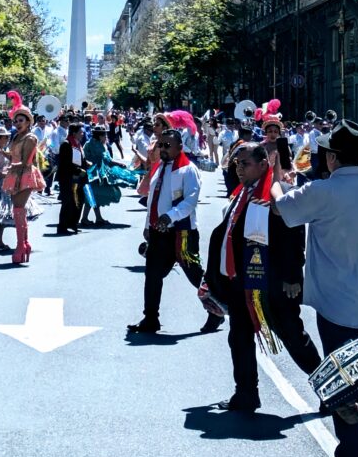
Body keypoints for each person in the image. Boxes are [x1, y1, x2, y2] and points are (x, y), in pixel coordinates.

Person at [272, 120, 358, 457]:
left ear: (331, 159)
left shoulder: (323, 192)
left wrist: (275, 180)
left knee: (344, 388)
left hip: (337, 308)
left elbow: (280, 207)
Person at [204, 143, 320, 413]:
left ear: (263, 164)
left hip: (273, 285)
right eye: (237, 163)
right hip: (242, 283)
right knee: (239, 337)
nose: (239, 168)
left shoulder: (275, 195)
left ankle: (331, 390)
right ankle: (246, 394)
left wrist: (292, 276)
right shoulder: (242, 193)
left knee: (294, 338)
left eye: (245, 163)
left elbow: (293, 238)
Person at [128, 128, 220, 334]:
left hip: (181, 232)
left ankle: (216, 310)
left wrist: (170, 216)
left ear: (180, 147)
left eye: (167, 145)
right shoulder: (160, 168)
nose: (162, 148)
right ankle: (150, 318)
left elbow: (190, 201)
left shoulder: (188, 170)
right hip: (159, 233)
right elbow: (152, 200)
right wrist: (147, 226)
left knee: (195, 275)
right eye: (160, 144)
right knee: (152, 275)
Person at [1, 106, 44, 264]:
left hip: (24, 175)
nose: (18, 123)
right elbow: (13, 157)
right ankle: (24, 244)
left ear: (28, 122)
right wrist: (1, 152)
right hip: (16, 173)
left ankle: (21, 247)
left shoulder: (30, 138)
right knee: (19, 211)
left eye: (21, 121)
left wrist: (17, 180)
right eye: (16, 121)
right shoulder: (17, 137)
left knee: (18, 209)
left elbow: (26, 162)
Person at [82, 125, 136, 226]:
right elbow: (107, 159)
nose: (106, 137)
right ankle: (89, 218)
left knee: (93, 195)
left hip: (92, 172)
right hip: (96, 173)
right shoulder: (97, 145)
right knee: (93, 195)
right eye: (104, 135)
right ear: (100, 136)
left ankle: (94, 218)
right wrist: (119, 164)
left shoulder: (91, 143)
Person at [56, 123, 87, 234]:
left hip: (78, 179)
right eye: (81, 132)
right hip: (67, 178)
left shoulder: (78, 144)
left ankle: (73, 224)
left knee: (79, 201)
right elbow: (65, 163)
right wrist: (78, 170)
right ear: (74, 133)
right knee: (68, 202)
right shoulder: (66, 144)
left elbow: (79, 159)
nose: (83, 134)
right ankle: (62, 226)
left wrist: (85, 163)